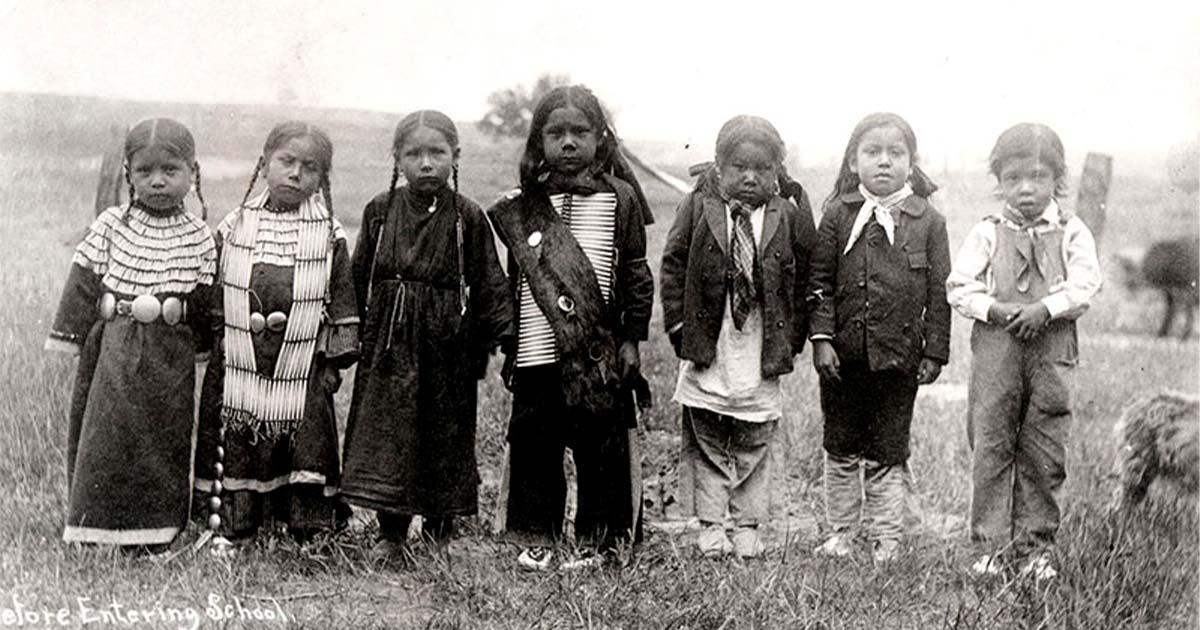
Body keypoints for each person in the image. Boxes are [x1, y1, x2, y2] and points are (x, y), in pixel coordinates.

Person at [487, 84, 654, 570]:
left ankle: (600, 541)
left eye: (579, 132)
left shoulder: (621, 199)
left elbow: (635, 274)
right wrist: (514, 341)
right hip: (539, 350)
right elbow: (519, 281)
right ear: (538, 140)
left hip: (599, 353)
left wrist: (631, 339)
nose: (567, 143)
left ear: (600, 139)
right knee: (535, 445)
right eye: (555, 133)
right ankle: (536, 537)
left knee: (600, 447)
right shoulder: (523, 206)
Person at [341, 111, 511, 557]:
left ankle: (440, 530)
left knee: (444, 432)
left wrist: (505, 340)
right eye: (413, 153)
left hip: (447, 345)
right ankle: (391, 532)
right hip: (389, 345)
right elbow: (359, 279)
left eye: (437, 153)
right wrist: (346, 338)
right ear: (396, 158)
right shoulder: (379, 212)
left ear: (455, 156)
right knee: (389, 433)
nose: (426, 163)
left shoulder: (467, 218)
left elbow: (491, 281)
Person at [46, 118, 217, 550]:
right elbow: (84, 281)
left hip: (169, 356)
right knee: (107, 432)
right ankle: (94, 525)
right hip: (114, 349)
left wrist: (202, 349)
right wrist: (70, 336)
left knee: (164, 436)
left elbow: (202, 300)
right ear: (128, 175)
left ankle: (157, 529)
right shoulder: (110, 225)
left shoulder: (199, 236)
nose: (157, 181)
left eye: (170, 170)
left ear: (193, 173)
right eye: (145, 171)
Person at [947, 123, 1101, 580]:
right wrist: (992, 310)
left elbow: (1086, 285)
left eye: (1037, 176)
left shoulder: (1073, 230)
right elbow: (959, 286)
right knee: (992, 442)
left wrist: (1046, 308)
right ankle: (991, 547)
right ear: (1000, 182)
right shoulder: (988, 232)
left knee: (1044, 447)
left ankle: (1036, 548)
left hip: (1051, 349)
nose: (1026, 188)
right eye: (1013, 178)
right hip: (997, 350)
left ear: (1058, 178)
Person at [193, 121, 358, 543]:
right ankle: (235, 523)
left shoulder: (328, 235)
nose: (296, 173)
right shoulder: (234, 228)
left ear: (323, 177)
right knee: (238, 436)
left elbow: (341, 299)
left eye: (310, 166)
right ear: (264, 163)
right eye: (286, 161)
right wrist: (221, 350)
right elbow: (215, 297)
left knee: (306, 438)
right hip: (240, 360)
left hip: (302, 360)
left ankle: (308, 525)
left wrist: (333, 363)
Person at [660, 115, 816, 558]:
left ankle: (747, 524)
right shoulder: (699, 208)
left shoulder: (787, 215)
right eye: (738, 167)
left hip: (760, 341)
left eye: (762, 169)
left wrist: (796, 335)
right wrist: (677, 325)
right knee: (706, 433)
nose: (750, 178)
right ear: (719, 167)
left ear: (776, 171)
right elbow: (672, 264)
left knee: (755, 436)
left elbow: (805, 276)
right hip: (713, 338)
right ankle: (711, 524)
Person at [808, 112, 951, 563]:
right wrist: (822, 338)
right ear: (853, 162)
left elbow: (939, 293)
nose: (884, 162)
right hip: (842, 359)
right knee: (842, 445)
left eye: (896, 153)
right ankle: (842, 534)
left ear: (912, 161)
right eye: (872, 152)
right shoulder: (837, 215)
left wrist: (935, 351)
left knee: (889, 450)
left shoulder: (928, 222)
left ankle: (887, 539)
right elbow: (819, 282)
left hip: (899, 361)